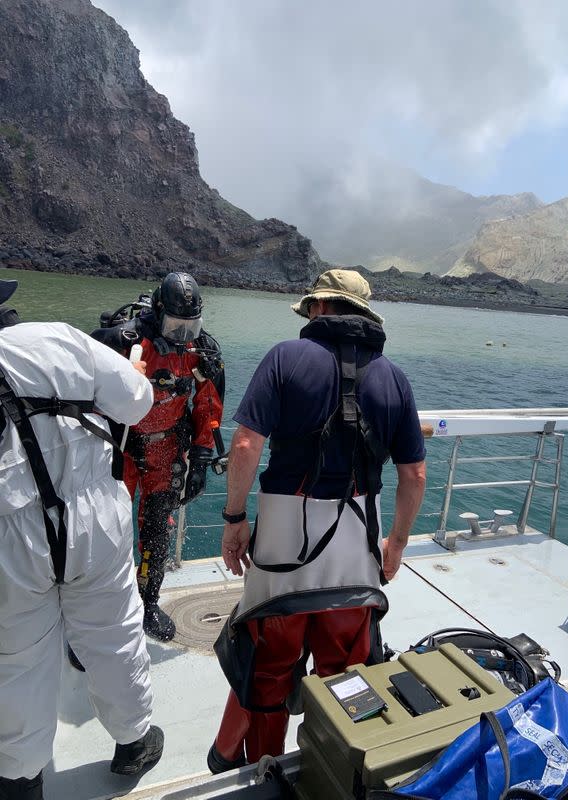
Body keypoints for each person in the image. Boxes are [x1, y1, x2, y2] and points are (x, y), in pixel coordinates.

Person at [208, 268, 426, 773]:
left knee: (269, 666)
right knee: (345, 669)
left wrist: (235, 518)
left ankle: (264, 766)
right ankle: (332, 767)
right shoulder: (393, 377)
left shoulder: (286, 357)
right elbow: (413, 474)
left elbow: (245, 445)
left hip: (283, 546)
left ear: (321, 308)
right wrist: (396, 543)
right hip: (356, 549)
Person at [0, 279, 164, 800]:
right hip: (95, 517)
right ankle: (133, 743)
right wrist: (132, 372)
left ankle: (21, 779)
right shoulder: (62, 338)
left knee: (17, 657)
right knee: (114, 632)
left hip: (10, 531)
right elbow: (137, 405)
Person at [91, 272, 225, 641]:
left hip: (166, 451)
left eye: (190, 326)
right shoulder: (126, 342)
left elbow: (207, 406)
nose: (183, 335)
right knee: (105, 532)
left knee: (155, 534)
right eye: (175, 326)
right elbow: (87, 394)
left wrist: (199, 460)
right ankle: (99, 613)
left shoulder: (202, 351)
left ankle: (148, 602)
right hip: (120, 450)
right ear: (158, 313)